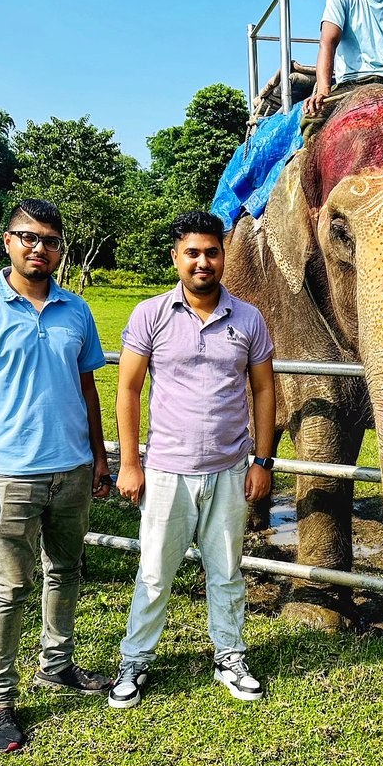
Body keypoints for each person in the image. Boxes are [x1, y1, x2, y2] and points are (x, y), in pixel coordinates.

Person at [0, 198, 112, 753]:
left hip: (73, 468)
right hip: (9, 472)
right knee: (10, 587)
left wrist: (100, 457)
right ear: (8, 241)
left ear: (62, 249)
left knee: (65, 570)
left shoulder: (77, 310)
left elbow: (89, 389)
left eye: (51, 239)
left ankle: (56, 665)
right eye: (28, 237)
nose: (40, 248)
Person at [108, 210, 276, 708]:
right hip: (165, 470)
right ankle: (134, 662)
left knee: (226, 570)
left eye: (212, 252)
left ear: (224, 256)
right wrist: (130, 462)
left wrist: (262, 461)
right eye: (193, 253)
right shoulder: (151, 314)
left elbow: (264, 390)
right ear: (176, 258)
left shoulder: (248, 318)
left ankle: (230, 655)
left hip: (229, 468)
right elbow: (129, 388)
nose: (203, 262)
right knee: (156, 572)